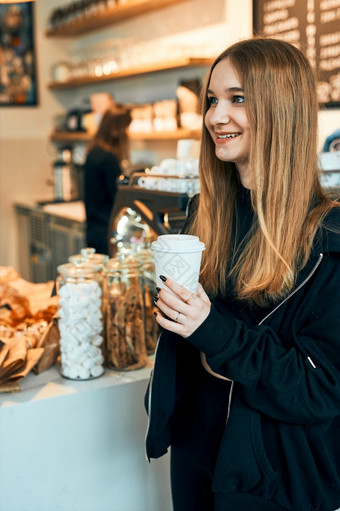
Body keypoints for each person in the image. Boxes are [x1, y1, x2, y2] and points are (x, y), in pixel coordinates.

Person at [145, 37, 340, 511]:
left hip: (271, 475)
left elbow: (319, 388)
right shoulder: (202, 216)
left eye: (238, 99)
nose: (215, 116)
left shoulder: (327, 241)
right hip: (195, 449)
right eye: (212, 100)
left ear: (283, 110)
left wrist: (215, 334)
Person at [84, 105, 131, 254]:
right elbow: (118, 196)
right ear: (116, 128)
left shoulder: (94, 152)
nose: (127, 133)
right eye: (126, 128)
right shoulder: (108, 158)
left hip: (93, 228)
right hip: (107, 229)